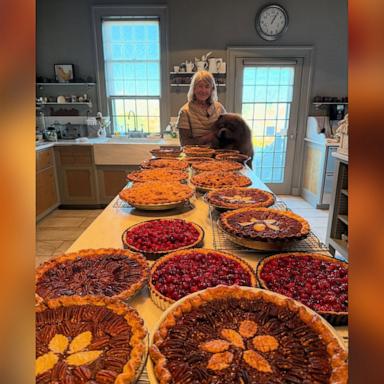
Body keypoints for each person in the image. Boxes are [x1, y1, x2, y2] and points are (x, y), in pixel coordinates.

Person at [176, 70, 226, 146]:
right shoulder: (185, 111)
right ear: (194, 88)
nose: (203, 90)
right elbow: (185, 143)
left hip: (217, 155)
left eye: (207, 86)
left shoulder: (219, 108)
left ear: (212, 89)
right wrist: (208, 138)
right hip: (194, 156)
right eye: (200, 86)